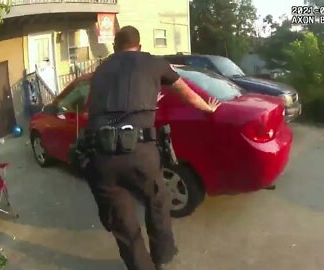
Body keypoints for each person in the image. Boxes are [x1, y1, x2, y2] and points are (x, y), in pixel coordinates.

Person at [84, 26, 221, 270]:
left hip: (101, 156)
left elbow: (92, 109)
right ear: (139, 44)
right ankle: (162, 257)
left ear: (115, 47)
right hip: (139, 152)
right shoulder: (153, 63)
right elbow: (186, 93)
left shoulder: (100, 70)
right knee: (157, 199)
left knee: (122, 224)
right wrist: (207, 108)